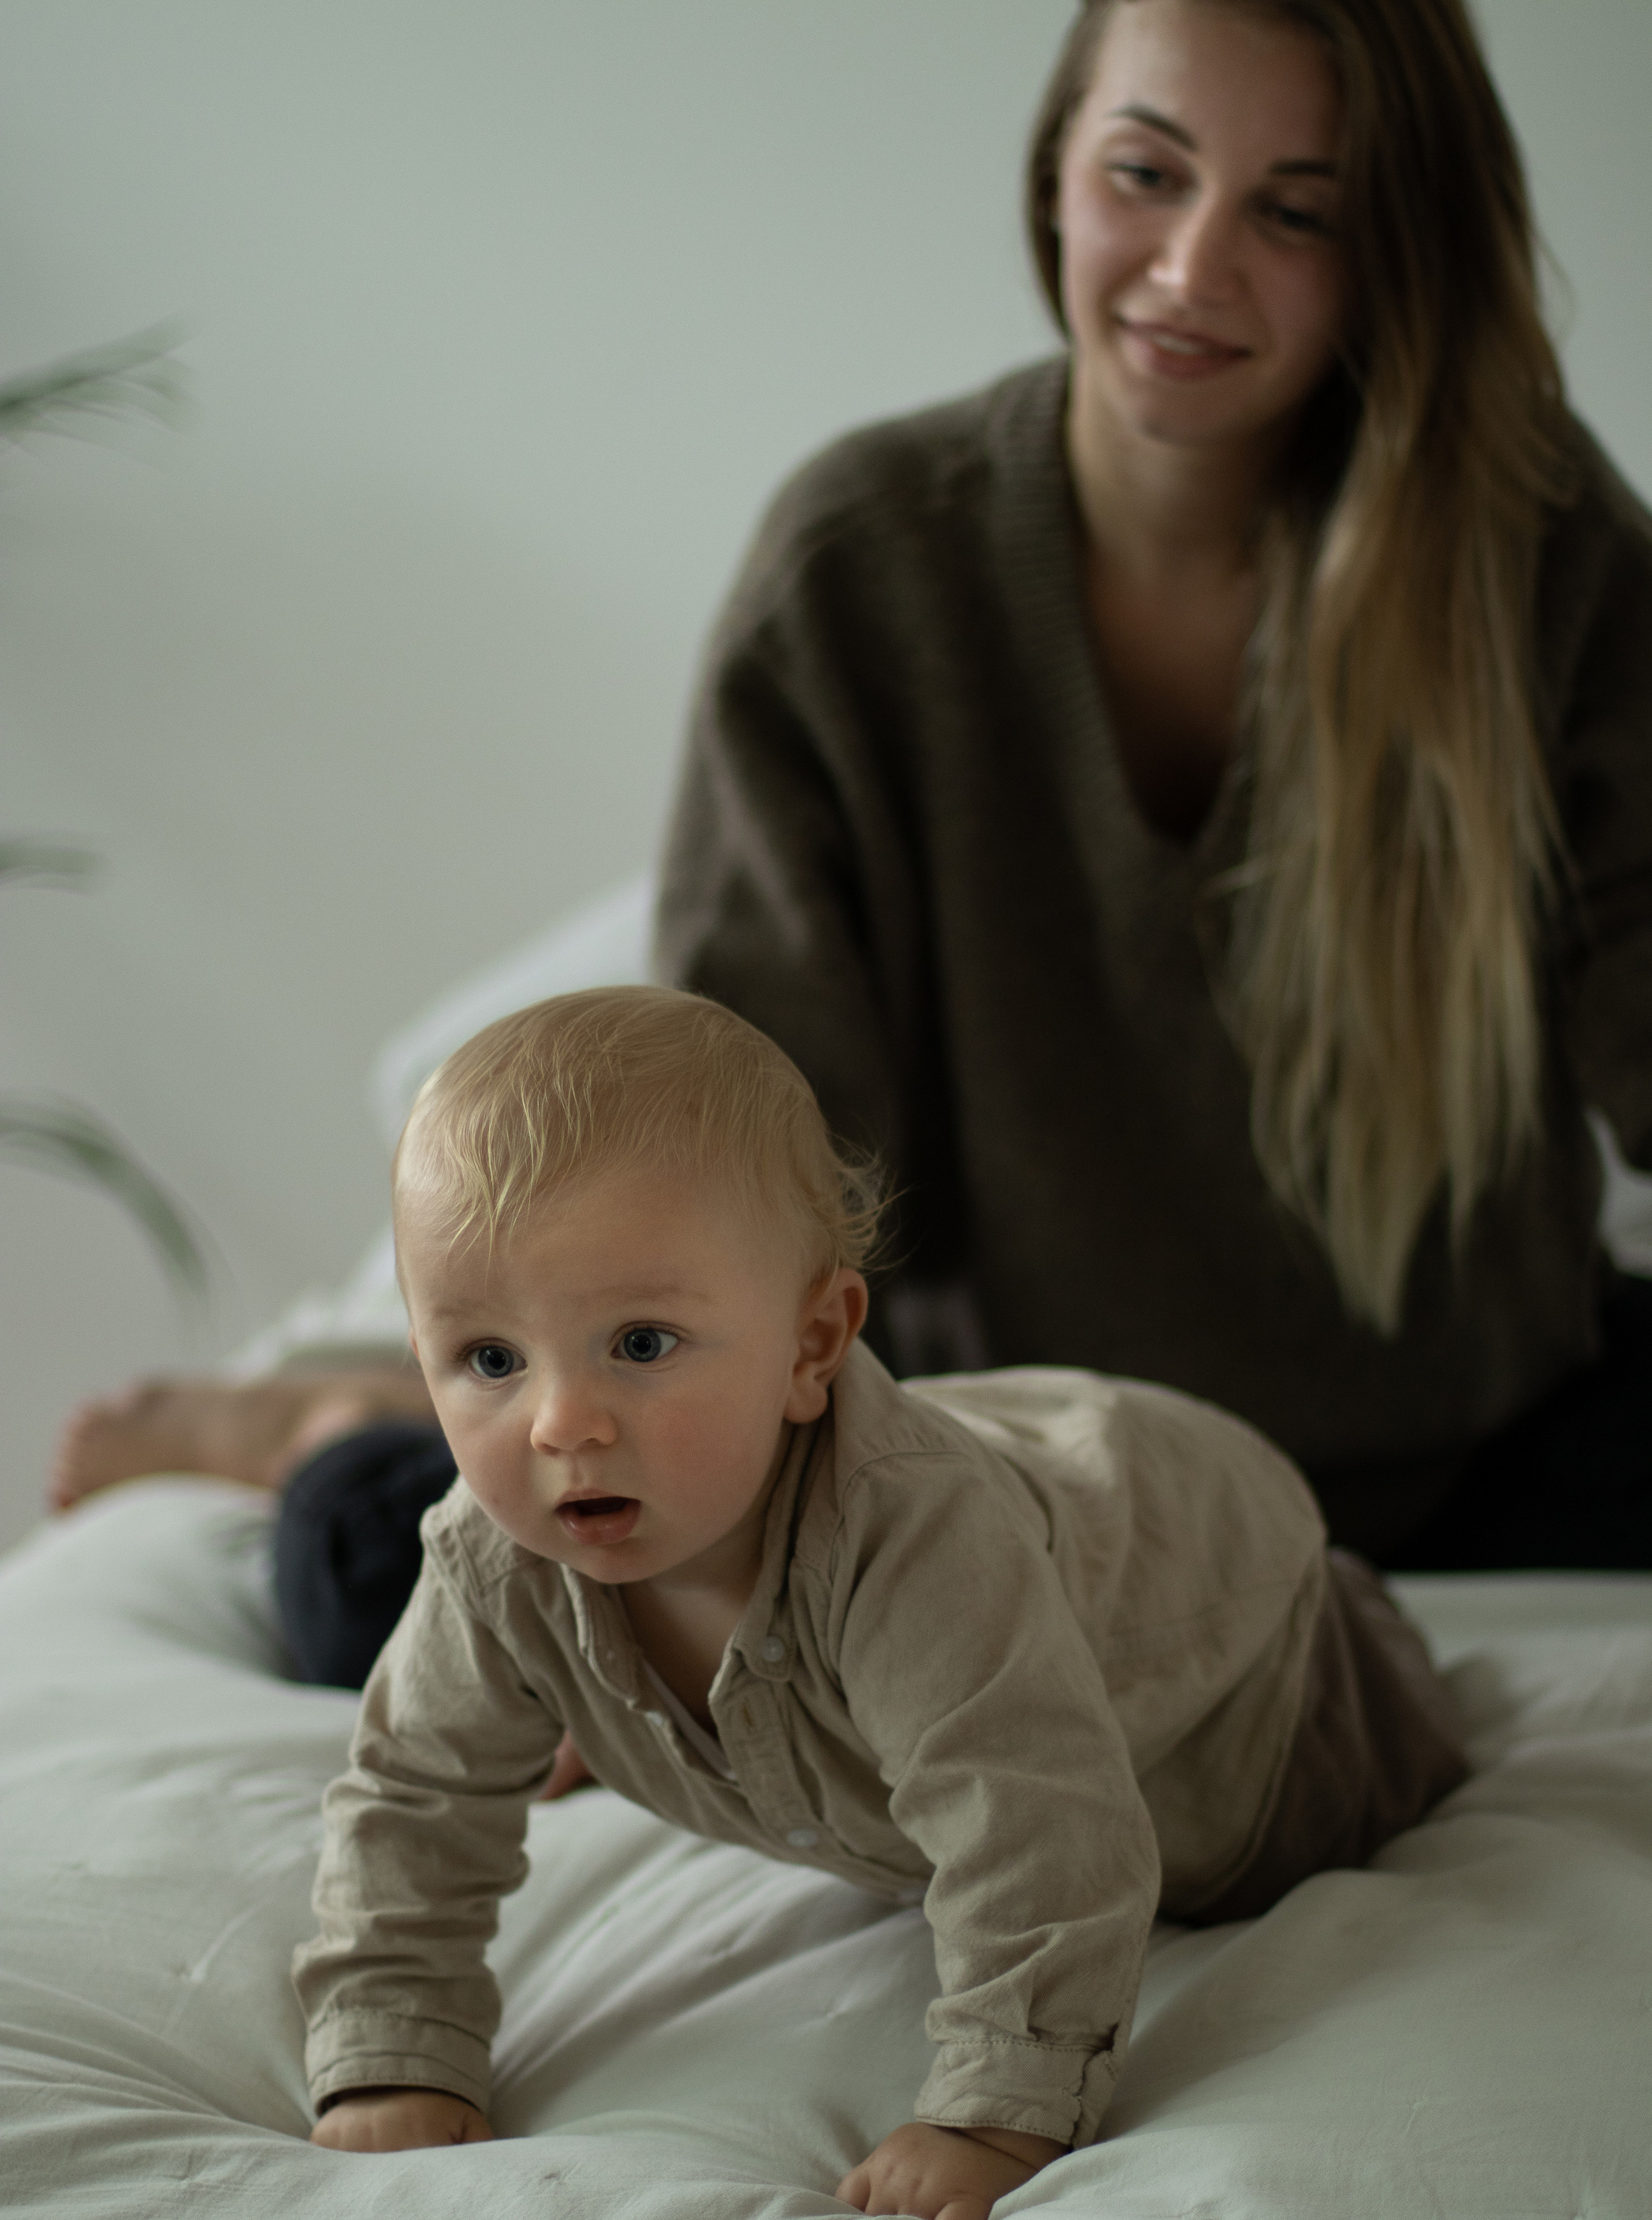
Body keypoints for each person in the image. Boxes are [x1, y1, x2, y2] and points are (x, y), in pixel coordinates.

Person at [47, 0, 1652, 1678]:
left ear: (1400, 245)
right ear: (1054, 180)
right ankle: (327, 1424)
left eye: (1297, 208)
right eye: (1145, 173)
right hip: (1004, 1447)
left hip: (1474, 1436)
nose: (1191, 267)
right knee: (412, 1596)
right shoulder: (862, 574)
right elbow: (749, 1163)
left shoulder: (1539, 559)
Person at [294, 985, 1465, 2220]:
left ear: (813, 1345)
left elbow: (1038, 1832)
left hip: (1248, 1649)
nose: (558, 1423)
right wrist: (391, 2042)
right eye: (488, 1360)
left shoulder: (911, 1547)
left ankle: (1359, 1602)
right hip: (1006, 1497)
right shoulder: (492, 1563)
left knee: (1371, 1760)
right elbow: (412, 1797)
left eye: (640, 1342)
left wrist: (996, 2113)